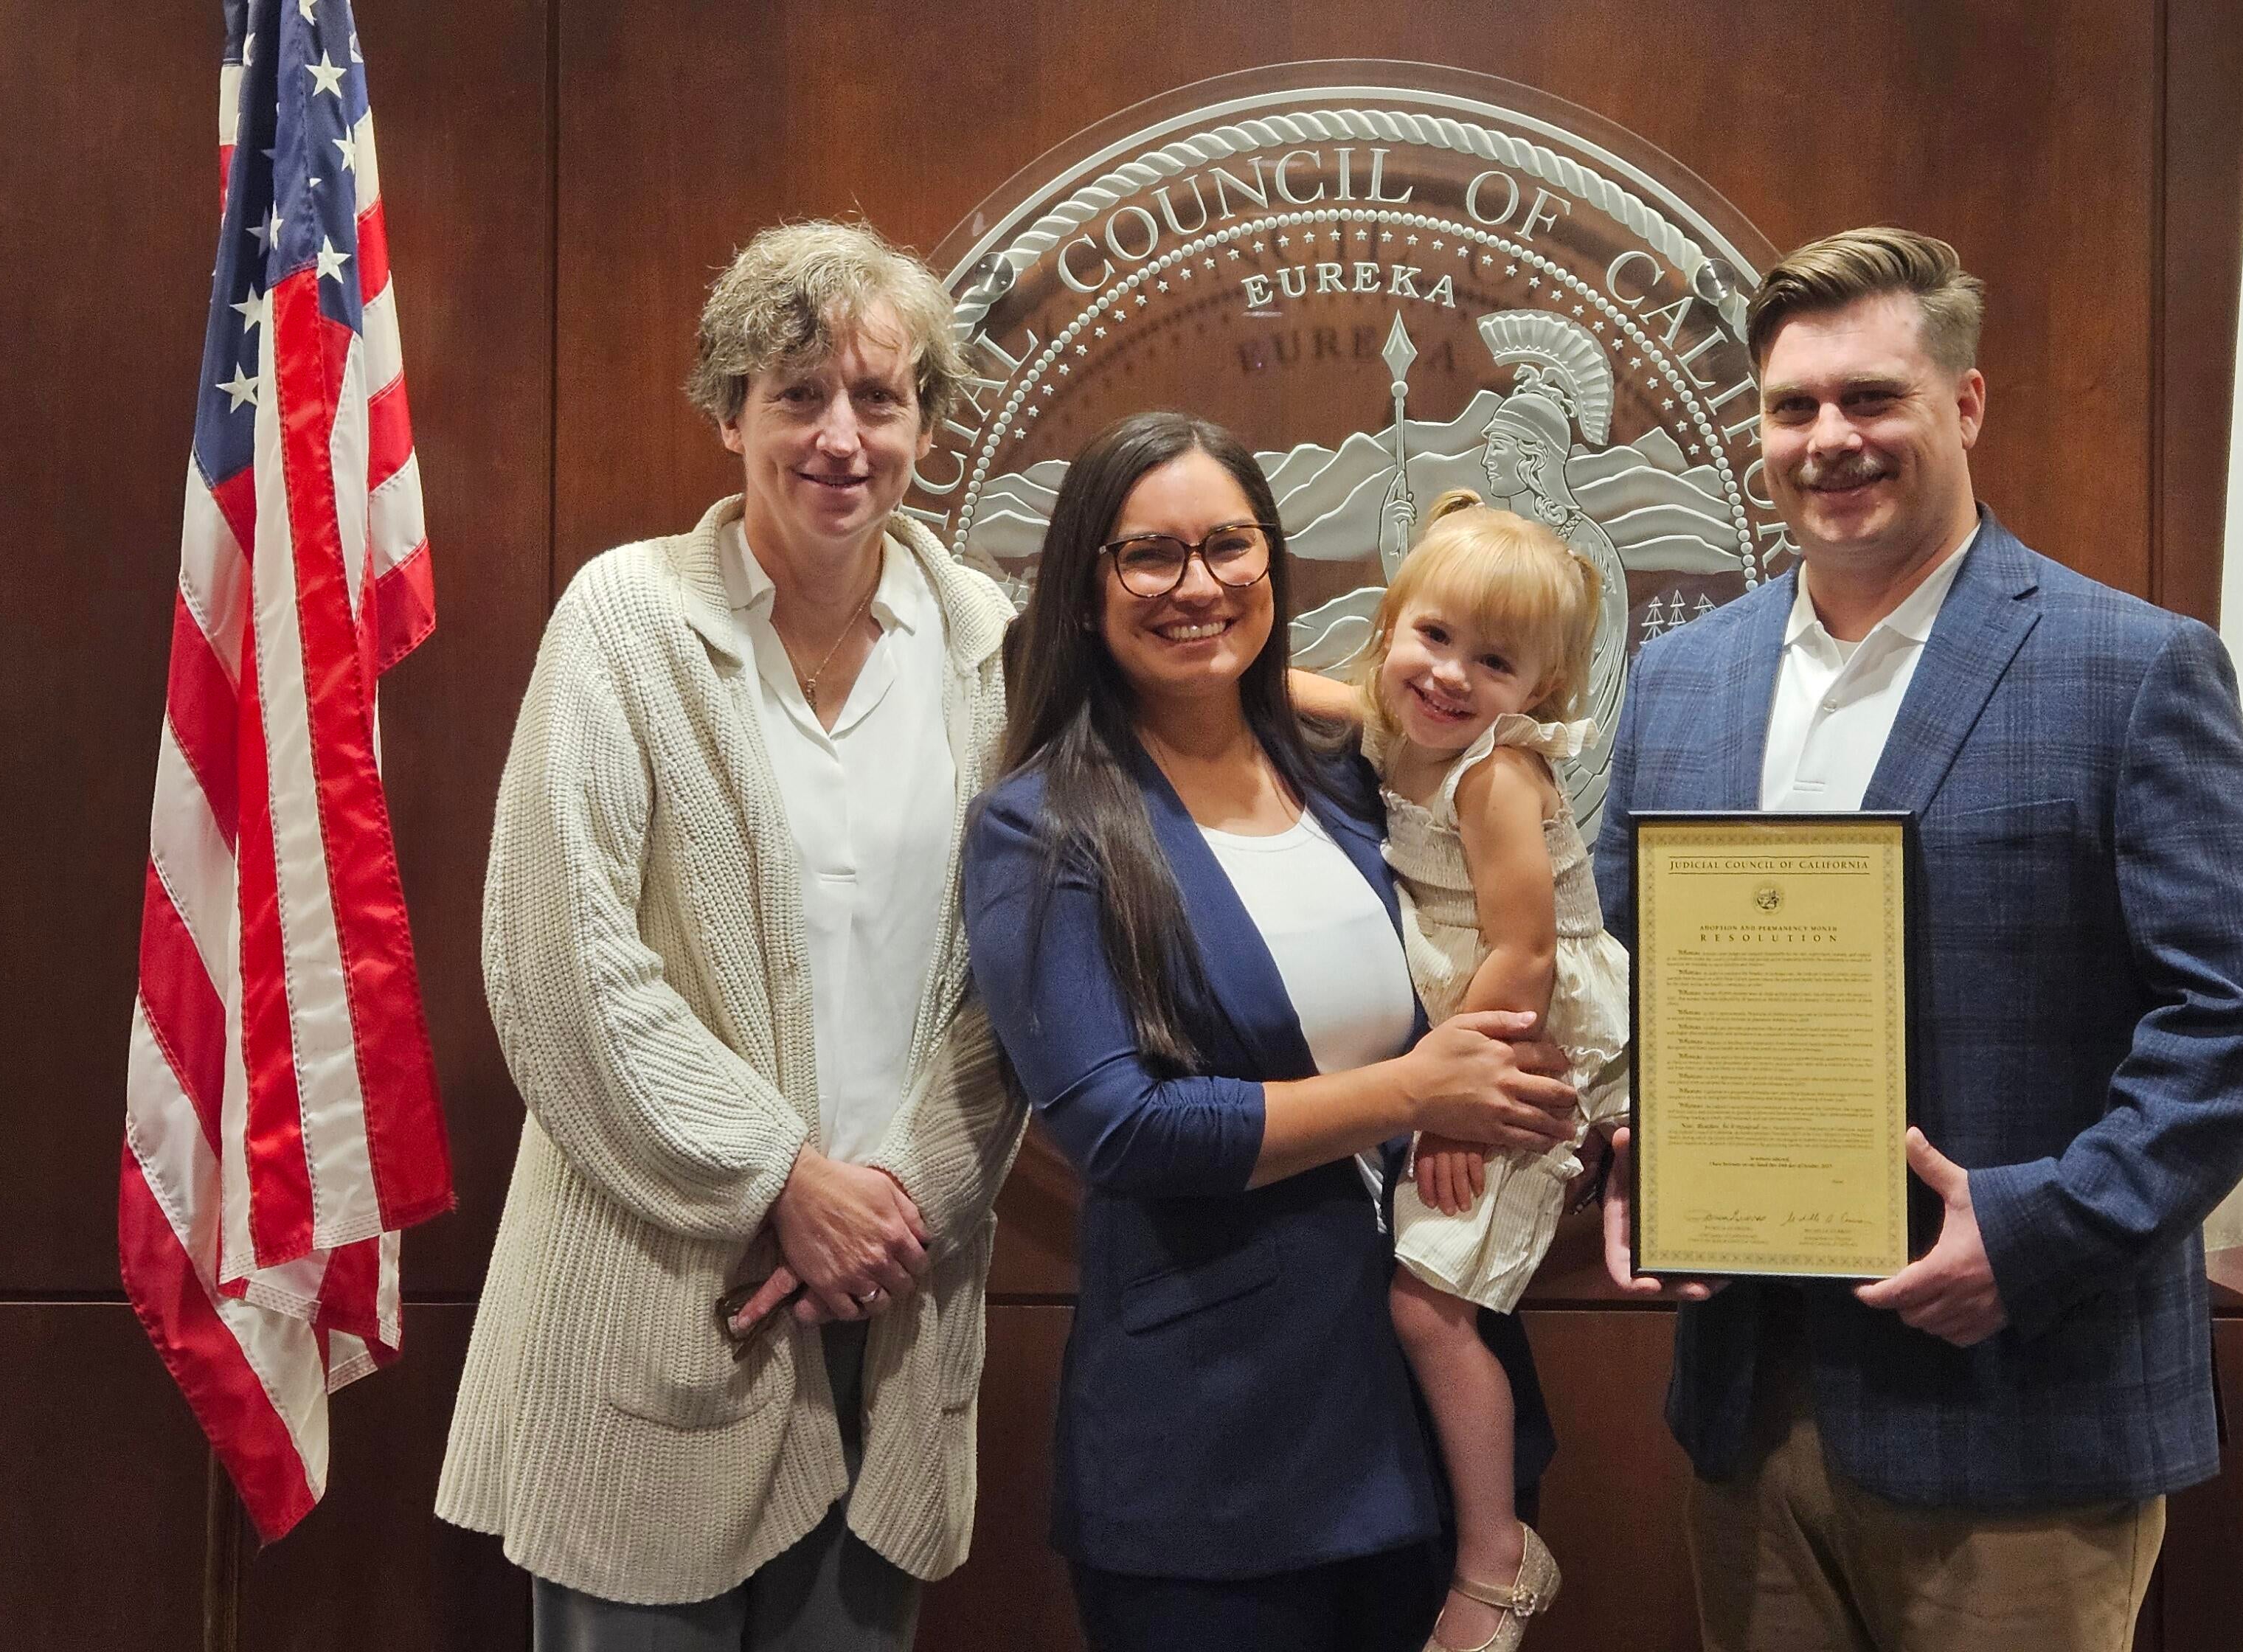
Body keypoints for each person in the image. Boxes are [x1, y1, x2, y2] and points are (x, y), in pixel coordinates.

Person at [1592, 226, 2243, 1651]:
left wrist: (2041, 1230)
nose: (1828, 439)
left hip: (2023, 1422)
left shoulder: (2129, 666)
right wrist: (1630, 1165)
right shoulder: (1681, 680)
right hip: (1751, 1411)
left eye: (1873, 398)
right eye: (1792, 406)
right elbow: (1623, 987)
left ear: (1966, 403)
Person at [437, 220, 1030, 1652]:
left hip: (889, 1300)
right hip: (660, 1297)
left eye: (879, 399)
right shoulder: (627, 623)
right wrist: (778, 1179)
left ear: (927, 427)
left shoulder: (987, 649)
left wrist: (889, 1198)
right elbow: (563, 962)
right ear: (728, 415)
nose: (840, 435)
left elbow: (1016, 985)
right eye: (796, 394)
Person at [963, 412, 1577, 1652]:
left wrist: (1528, 1083)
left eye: (1228, 546)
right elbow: (1121, 1129)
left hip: (1417, 1424)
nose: (1198, 585)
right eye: (1149, 555)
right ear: (1086, 589)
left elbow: (1474, 970)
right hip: (1214, 1456)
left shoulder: (1349, 775)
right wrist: (1417, 1089)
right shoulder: (1043, 827)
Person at [1292, 490, 1632, 1651]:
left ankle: (1495, 1554)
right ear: (1390, 628)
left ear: (1535, 690)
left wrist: (1447, 1110)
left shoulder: (1494, 777)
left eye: (1492, 662)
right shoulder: (1400, 723)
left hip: (1527, 1048)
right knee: (1415, 1300)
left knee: (1428, 1309)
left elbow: (1529, 953)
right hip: (1464, 1037)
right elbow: (1294, 689)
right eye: (1431, 638)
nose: (1448, 677)